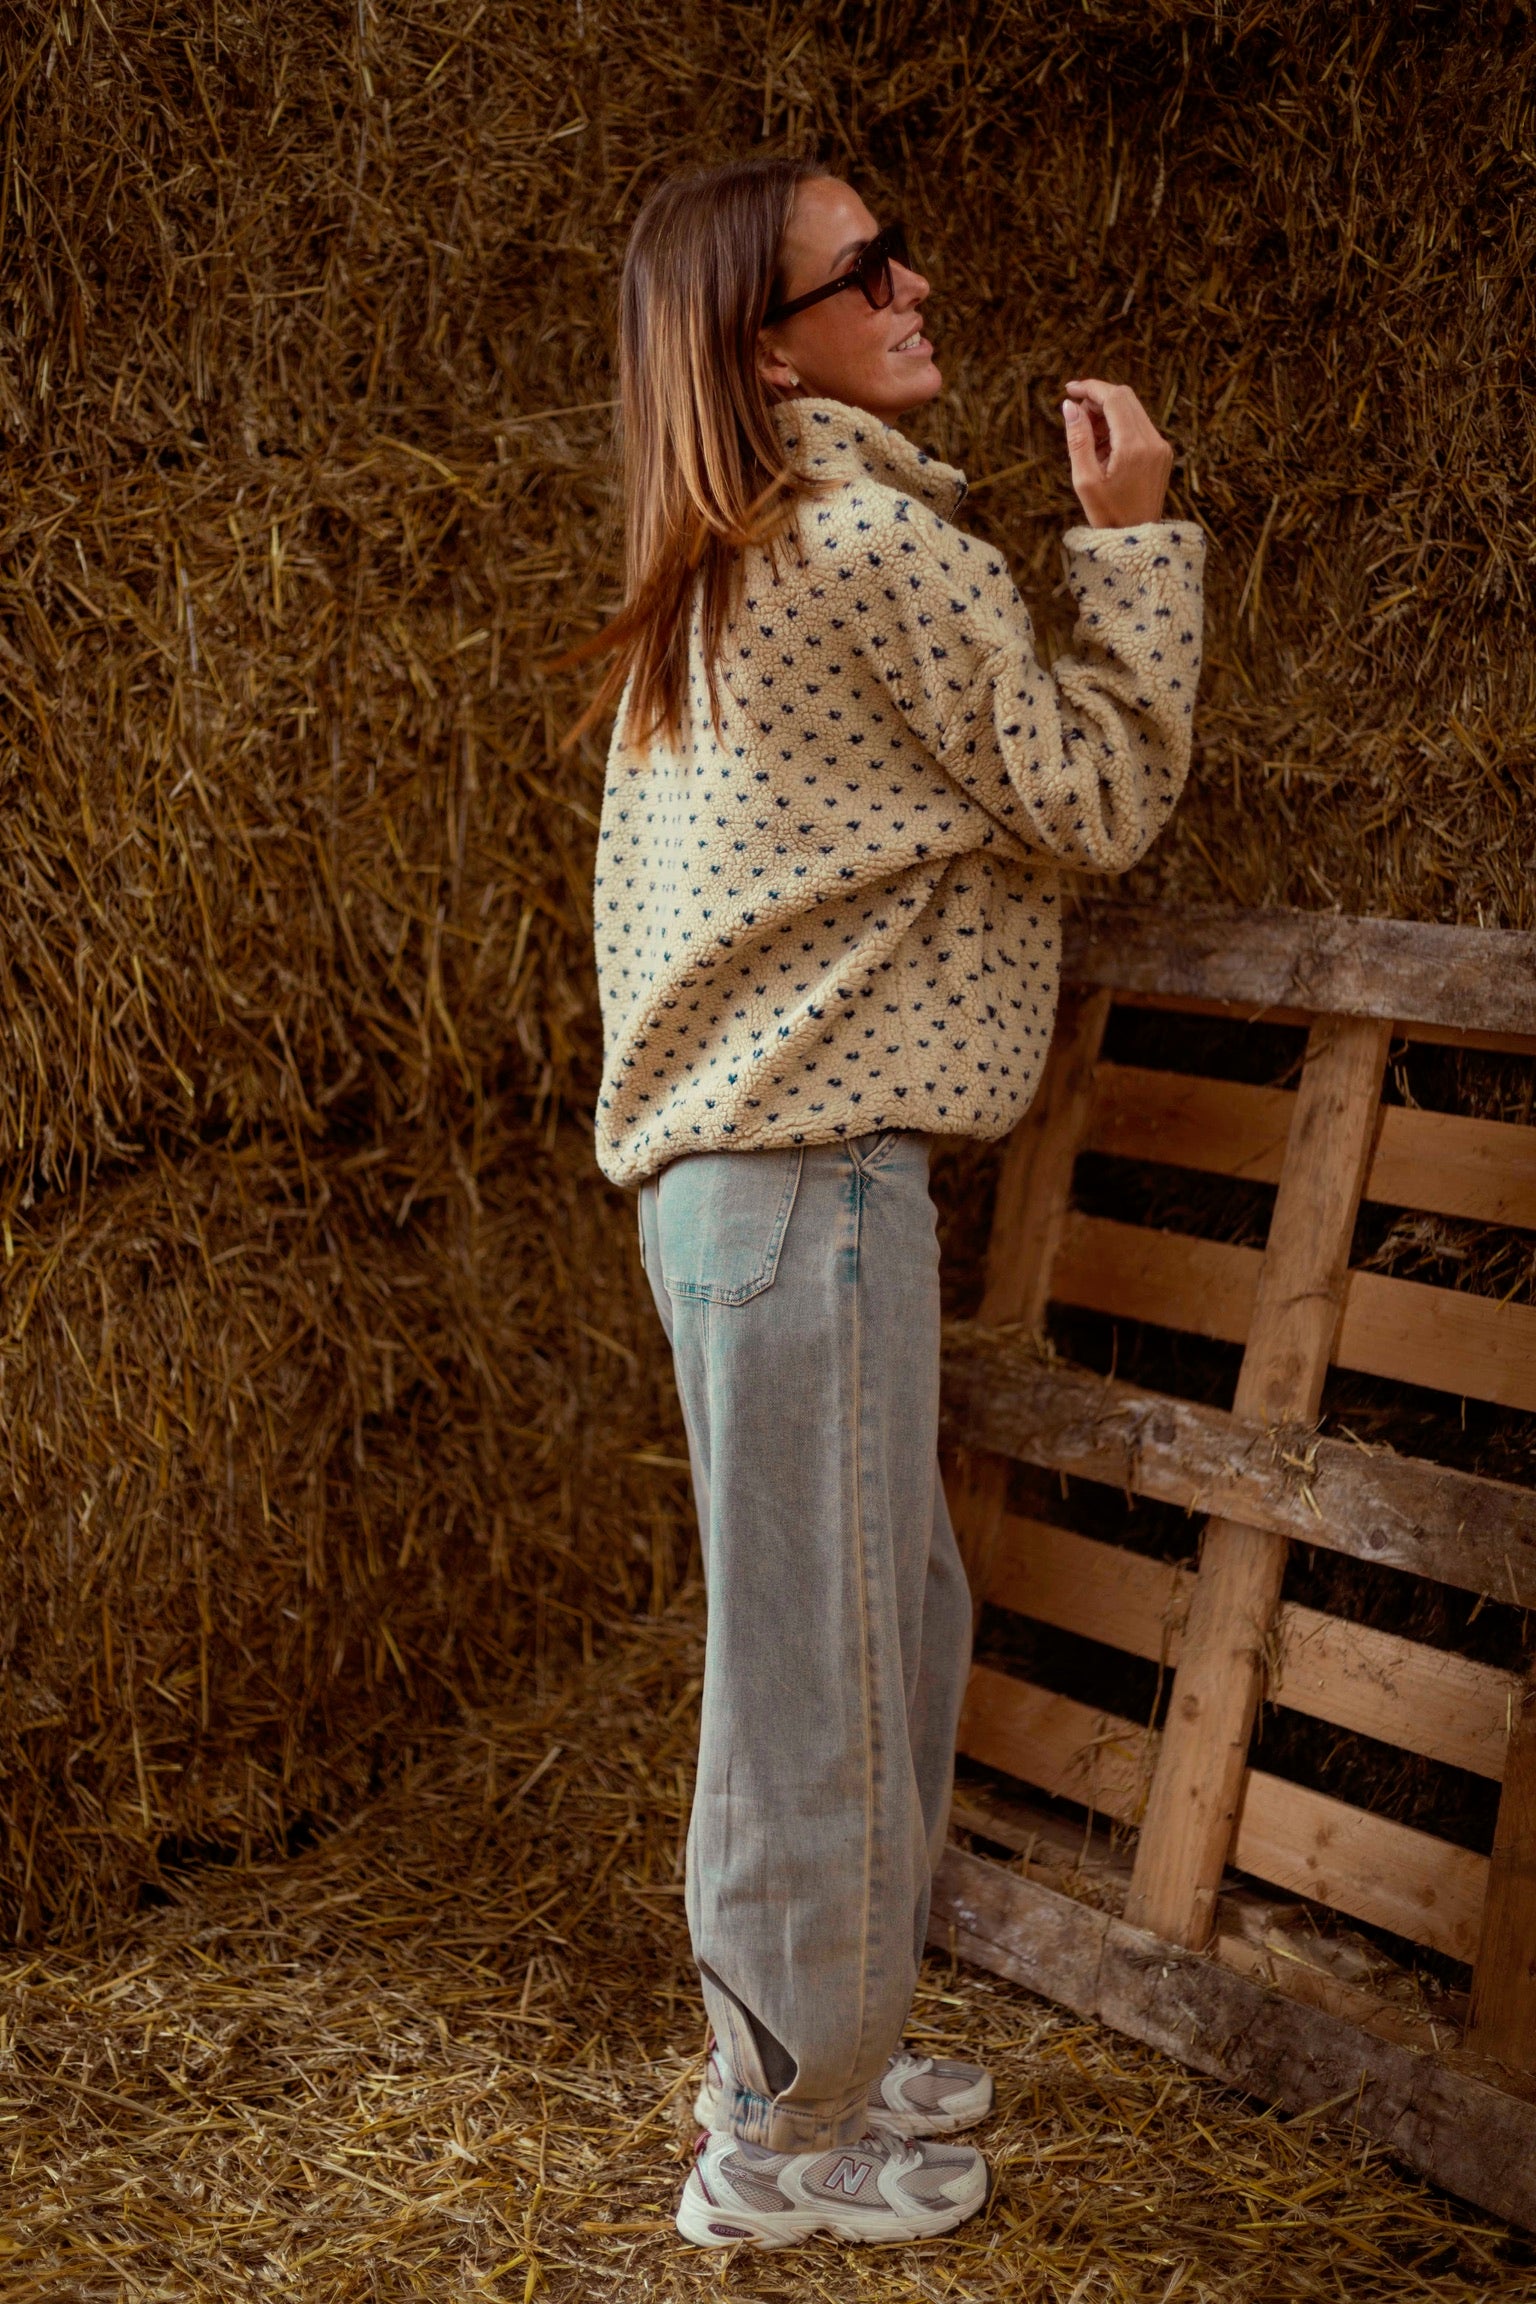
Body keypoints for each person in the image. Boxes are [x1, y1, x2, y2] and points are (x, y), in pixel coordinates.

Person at [579, 155, 1203, 2249]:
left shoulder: (716, 565)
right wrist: (1134, 544)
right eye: (866, 270)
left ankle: (817, 2047)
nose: (915, 282)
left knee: (874, 1631)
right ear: (770, 351)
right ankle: (784, 2142)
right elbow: (1092, 796)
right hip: (812, 1186)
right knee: (821, 1677)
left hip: (744, 1193)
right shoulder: (865, 546)